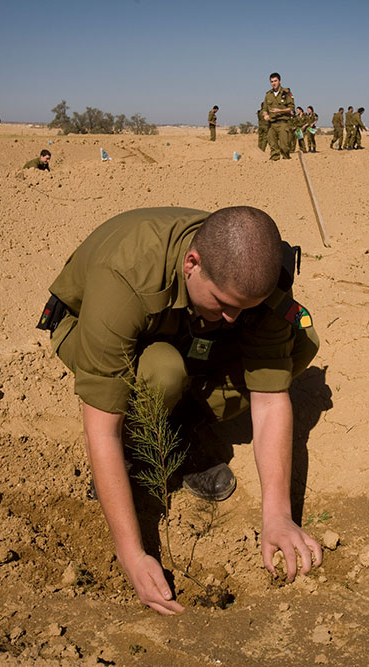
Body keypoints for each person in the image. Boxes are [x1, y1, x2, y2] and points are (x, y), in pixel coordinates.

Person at [41, 206, 324, 615]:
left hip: (183, 323)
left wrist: (278, 516)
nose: (234, 317)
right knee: (163, 371)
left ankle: (185, 424)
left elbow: (269, 399)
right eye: (225, 304)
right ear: (192, 263)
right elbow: (101, 429)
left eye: (245, 307)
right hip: (91, 325)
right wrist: (132, 554)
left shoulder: (253, 274)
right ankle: (145, 446)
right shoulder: (125, 276)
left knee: (300, 341)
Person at [261, 72, 295, 161]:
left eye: (275, 81)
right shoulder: (268, 95)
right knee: (273, 146)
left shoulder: (286, 93)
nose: (274, 83)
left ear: (279, 81)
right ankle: (274, 164)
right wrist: (265, 115)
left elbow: (291, 108)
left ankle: (286, 161)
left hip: (283, 123)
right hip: (272, 123)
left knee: (284, 146)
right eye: (272, 81)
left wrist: (280, 110)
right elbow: (264, 108)